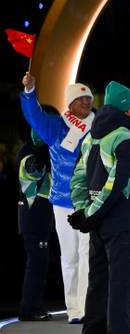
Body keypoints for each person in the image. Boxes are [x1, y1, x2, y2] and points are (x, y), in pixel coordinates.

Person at [69, 81, 130, 334]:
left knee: (98, 283)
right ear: (127, 107)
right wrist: (94, 213)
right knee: (122, 285)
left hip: (97, 223)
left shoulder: (92, 135)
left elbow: (78, 175)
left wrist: (83, 210)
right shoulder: (124, 135)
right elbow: (118, 183)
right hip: (119, 220)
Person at [20, 72, 94, 322]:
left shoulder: (99, 127)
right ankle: (73, 309)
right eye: (81, 99)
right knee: (70, 255)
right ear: (70, 103)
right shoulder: (56, 127)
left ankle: (86, 306)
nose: (86, 103)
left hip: (89, 201)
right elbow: (34, 116)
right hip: (62, 201)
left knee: (87, 254)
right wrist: (30, 92)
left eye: (89, 99)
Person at [16, 131, 54, 321]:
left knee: (39, 264)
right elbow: (35, 171)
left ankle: (33, 306)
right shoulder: (29, 155)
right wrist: (46, 155)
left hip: (37, 219)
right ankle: (29, 309)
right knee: (36, 265)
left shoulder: (32, 152)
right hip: (33, 218)